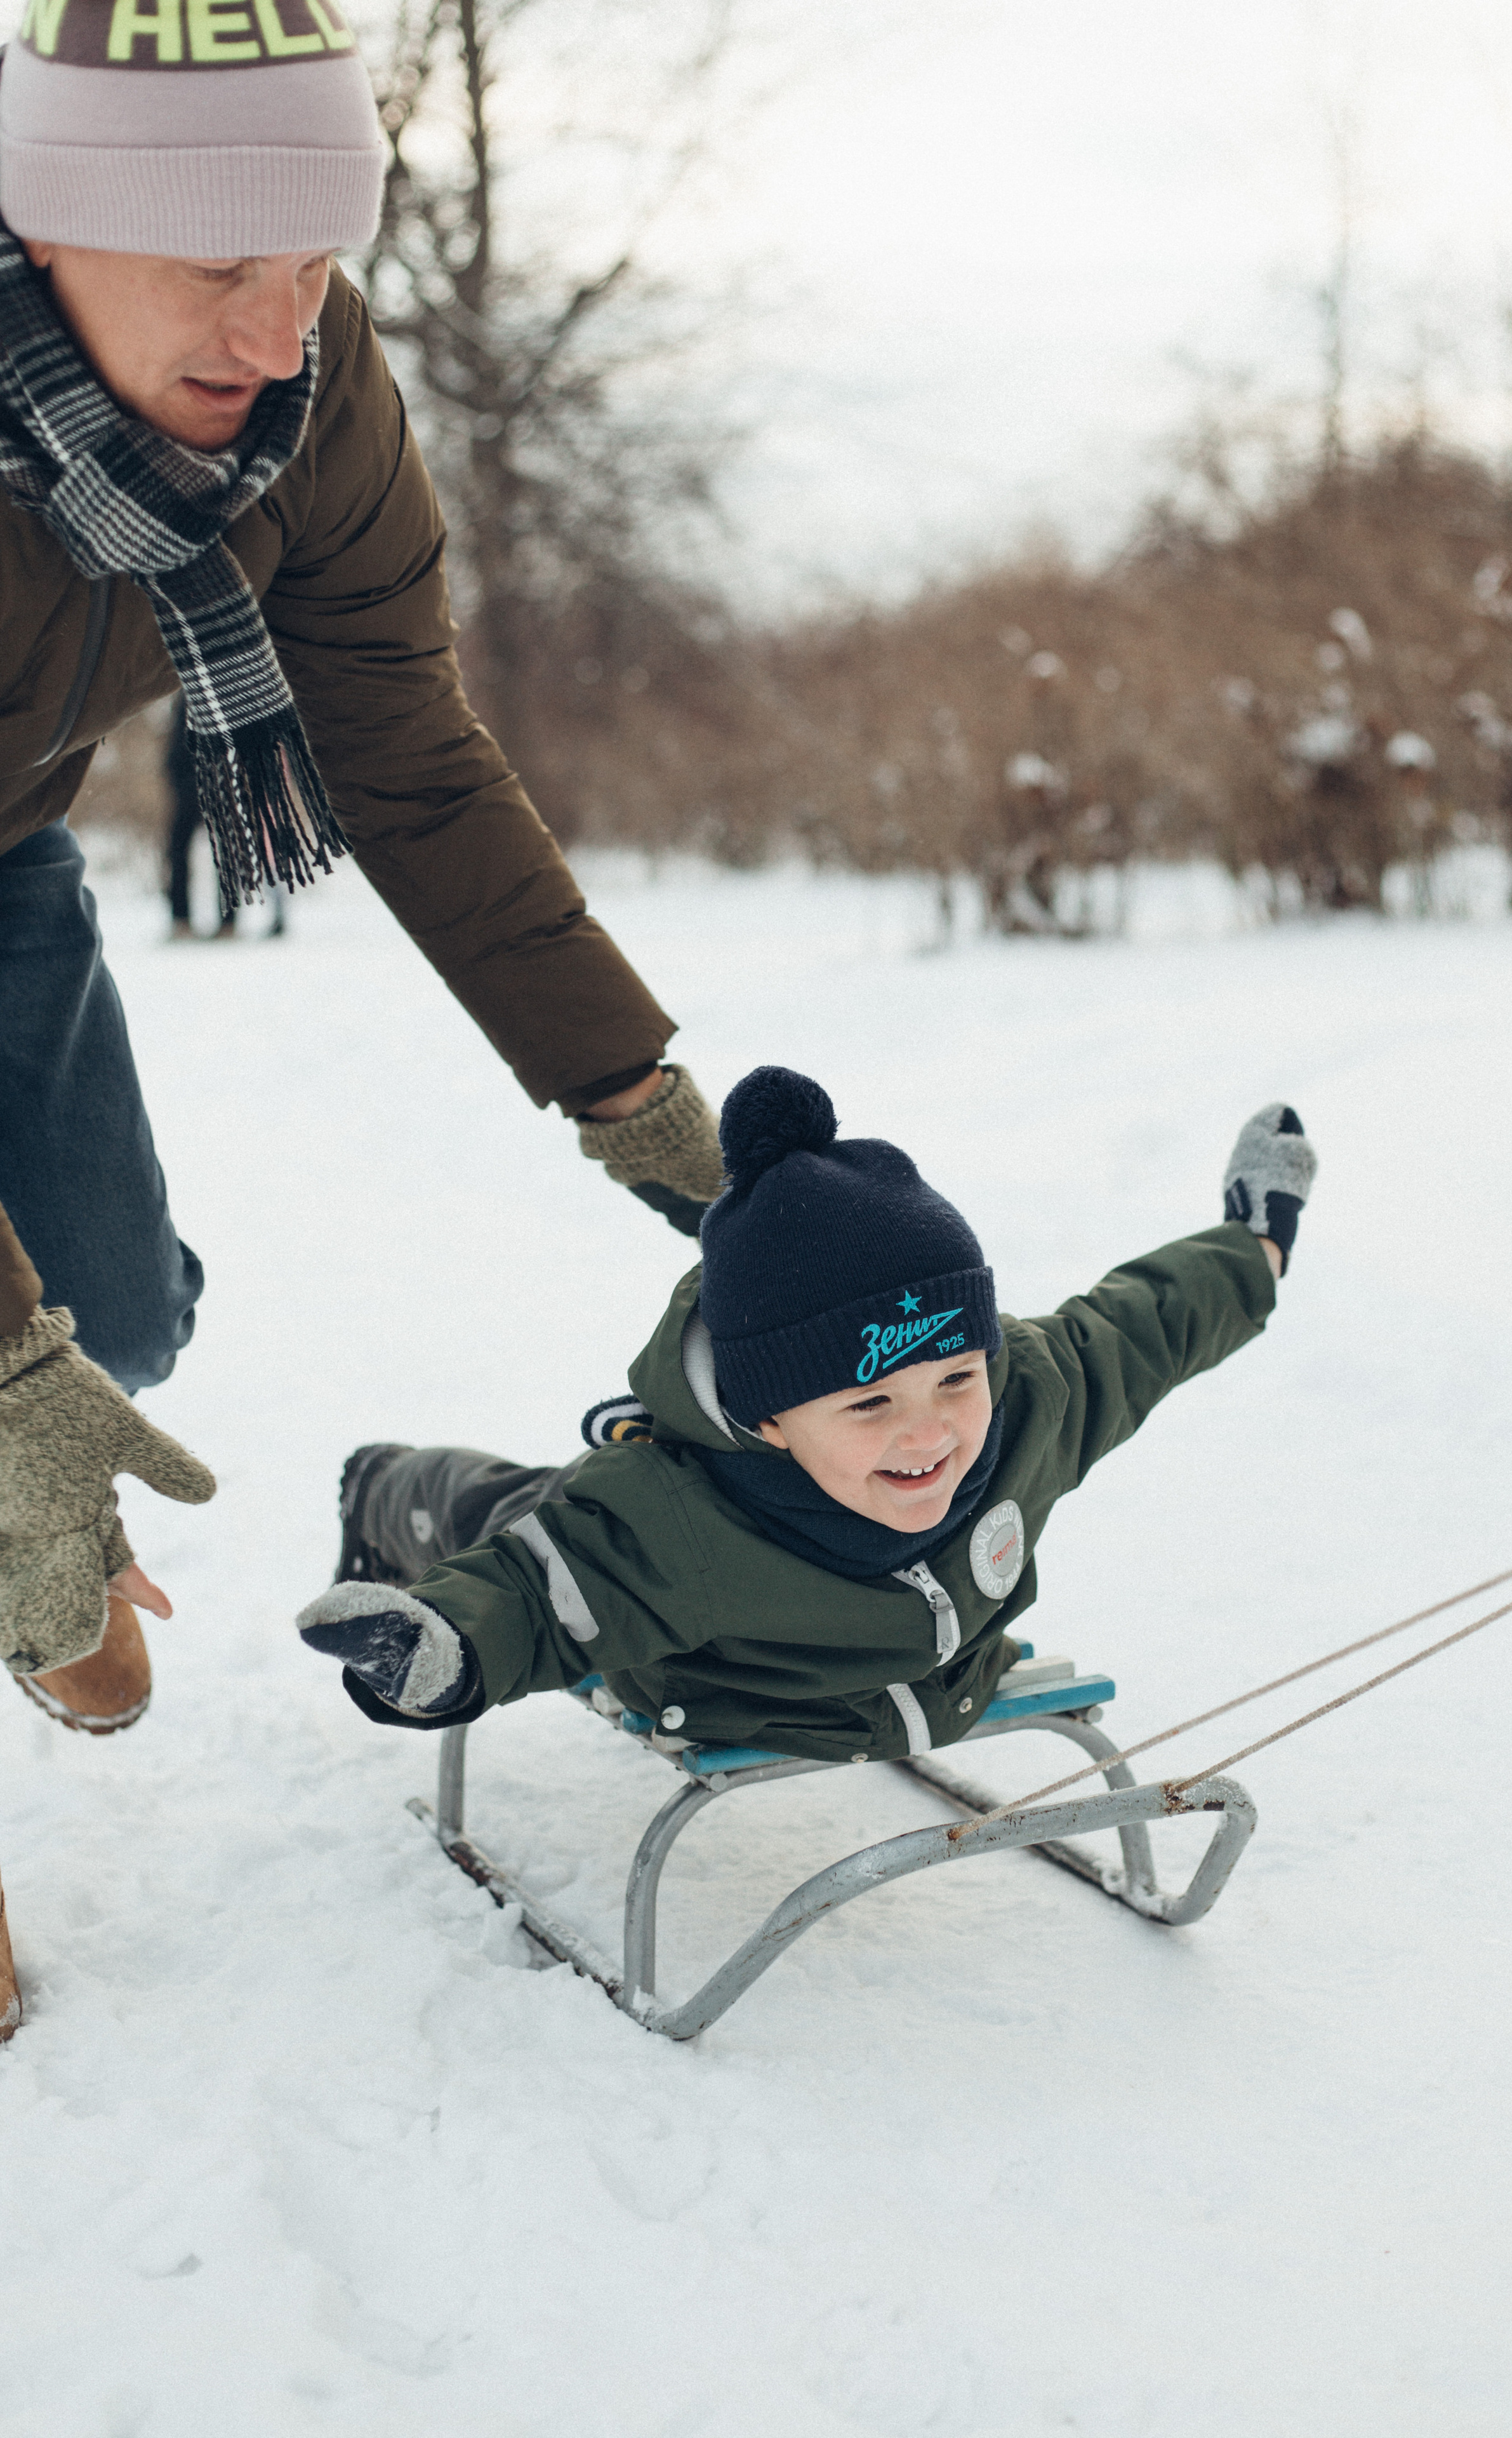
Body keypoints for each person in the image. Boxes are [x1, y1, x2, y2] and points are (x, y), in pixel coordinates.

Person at [0, 0, 723, 2038]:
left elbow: (401, 755)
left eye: (313, 253)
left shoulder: (313, 397)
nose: (274, 320)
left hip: (6, 853)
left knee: (109, 1327)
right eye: (215, 261)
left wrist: (636, 1086)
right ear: (43, 221)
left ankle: (23, 1518)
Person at [295, 1076, 1317, 1778]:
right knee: (514, 1520)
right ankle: (382, 1481)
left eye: (956, 1377)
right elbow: (532, 1594)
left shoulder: (1026, 1405)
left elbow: (1139, 1329)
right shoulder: (672, 1523)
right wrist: (441, 1653)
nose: (930, 1436)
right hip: (713, 1667)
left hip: (932, 1681)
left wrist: (1253, 1246)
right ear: (769, 1420)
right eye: (871, 1403)